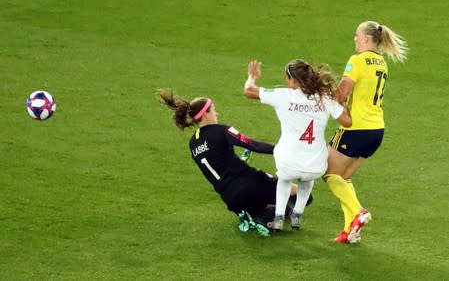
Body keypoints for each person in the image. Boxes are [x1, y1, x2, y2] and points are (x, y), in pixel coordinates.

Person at [156, 89, 309, 236]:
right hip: (250, 184)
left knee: (264, 203)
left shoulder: (193, 144)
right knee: (302, 194)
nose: (217, 113)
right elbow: (253, 145)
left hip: (231, 200)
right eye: (214, 110)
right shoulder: (221, 130)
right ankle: (269, 217)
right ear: (206, 114)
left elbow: (218, 162)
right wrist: (283, 151)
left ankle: (261, 216)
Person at [324, 20, 408, 244]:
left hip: (355, 128)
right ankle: (350, 231)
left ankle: (358, 212)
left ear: (366, 39)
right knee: (345, 178)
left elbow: (341, 94)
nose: (354, 39)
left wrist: (320, 91)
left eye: (356, 35)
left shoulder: (357, 60)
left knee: (328, 172)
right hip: (376, 130)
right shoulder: (381, 62)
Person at [243, 59, 352, 231]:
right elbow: (347, 122)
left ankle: (279, 217)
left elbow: (248, 91)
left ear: (293, 80)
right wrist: (343, 103)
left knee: (284, 178)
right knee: (307, 178)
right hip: (316, 165)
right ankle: (297, 215)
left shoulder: (283, 95)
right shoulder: (323, 97)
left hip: (288, 162)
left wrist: (252, 77)